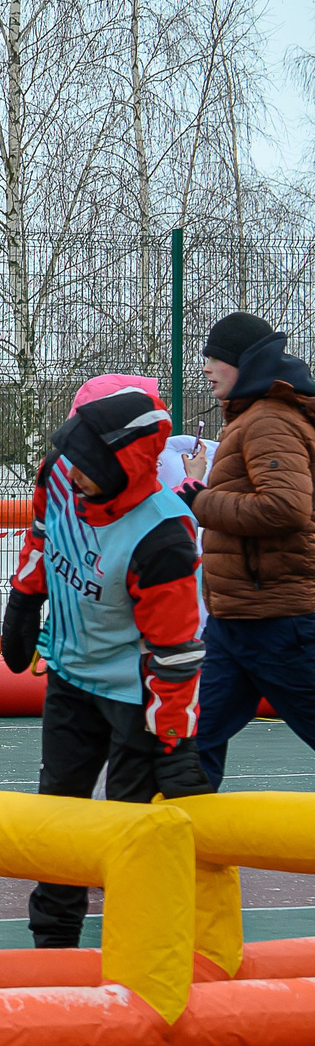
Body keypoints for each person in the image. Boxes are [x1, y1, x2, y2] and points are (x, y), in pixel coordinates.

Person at [0, 375, 210, 948]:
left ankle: (136, 946)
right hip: (70, 673)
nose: (74, 471)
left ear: (123, 466)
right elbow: (43, 535)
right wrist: (25, 598)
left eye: (87, 463)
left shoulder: (163, 536)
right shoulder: (63, 477)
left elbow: (176, 647)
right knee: (59, 813)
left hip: (134, 694)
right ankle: (53, 940)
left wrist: (175, 737)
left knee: (127, 824)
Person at [185, 313, 315, 786]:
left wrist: (201, 501)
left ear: (247, 363)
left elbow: (286, 508)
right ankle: (183, 847)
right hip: (236, 620)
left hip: (277, 620)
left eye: (216, 357)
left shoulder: (269, 421)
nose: (206, 367)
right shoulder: (252, 419)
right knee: (194, 739)